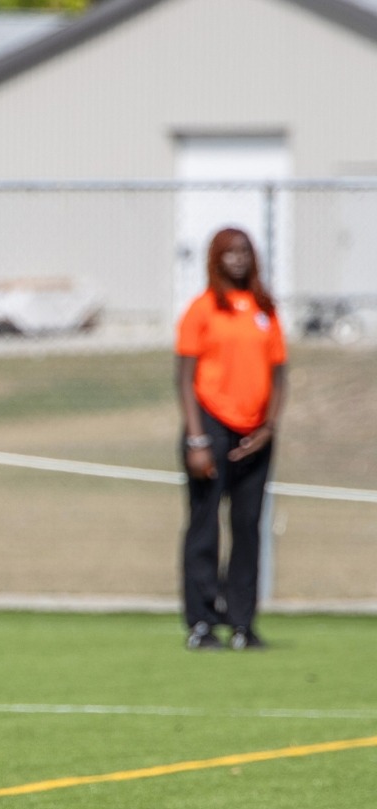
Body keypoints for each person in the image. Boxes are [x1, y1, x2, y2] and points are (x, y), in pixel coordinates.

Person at [175, 227, 287, 650]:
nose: (237, 259)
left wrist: (268, 427)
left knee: (247, 527)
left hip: (256, 433)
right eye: (229, 252)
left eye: (244, 251)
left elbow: (279, 374)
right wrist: (197, 439)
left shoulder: (264, 310)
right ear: (215, 258)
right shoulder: (203, 310)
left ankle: (243, 621)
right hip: (210, 426)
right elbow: (184, 378)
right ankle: (202, 620)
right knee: (204, 526)